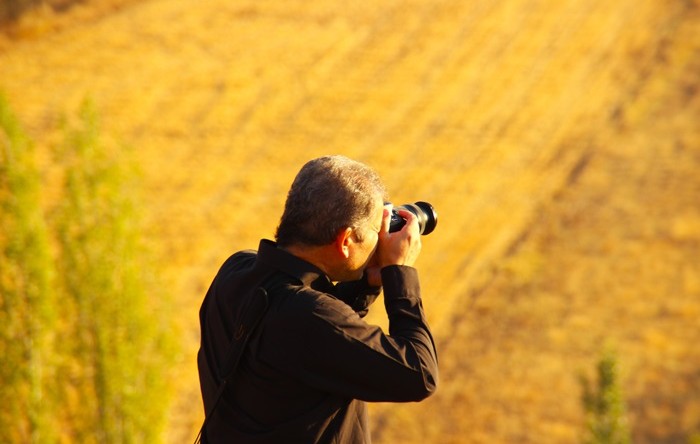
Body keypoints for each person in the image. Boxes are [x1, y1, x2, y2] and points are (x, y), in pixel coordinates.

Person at [197, 155, 438, 443]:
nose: (380, 239)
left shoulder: (235, 272)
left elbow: (317, 344)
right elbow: (420, 374)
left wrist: (366, 283)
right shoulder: (310, 317)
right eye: (377, 229)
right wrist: (400, 273)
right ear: (346, 241)